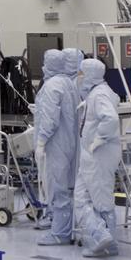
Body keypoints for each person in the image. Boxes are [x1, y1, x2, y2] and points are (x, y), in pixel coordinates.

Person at [74, 59, 123, 257]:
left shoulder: (100, 94)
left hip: (99, 154)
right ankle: (101, 235)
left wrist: (100, 138)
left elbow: (110, 118)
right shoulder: (96, 93)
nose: (79, 77)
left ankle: (106, 240)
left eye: (81, 73)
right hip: (92, 155)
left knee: (100, 200)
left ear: (90, 74)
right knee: (81, 197)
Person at [33, 49, 80, 246]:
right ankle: (65, 228)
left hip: (56, 143)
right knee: (67, 187)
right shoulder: (68, 83)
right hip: (70, 141)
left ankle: (60, 233)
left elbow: (51, 119)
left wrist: (42, 141)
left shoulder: (52, 86)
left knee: (57, 187)